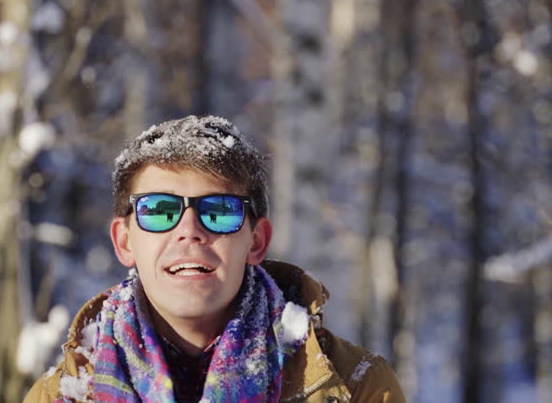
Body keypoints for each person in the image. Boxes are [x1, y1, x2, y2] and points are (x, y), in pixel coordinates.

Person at [23, 115, 405, 403]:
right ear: (125, 242)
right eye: (159, 211)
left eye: (219, 210)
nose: (189, 229)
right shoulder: (59, 395)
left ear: (256, 242)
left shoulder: (358, 387)